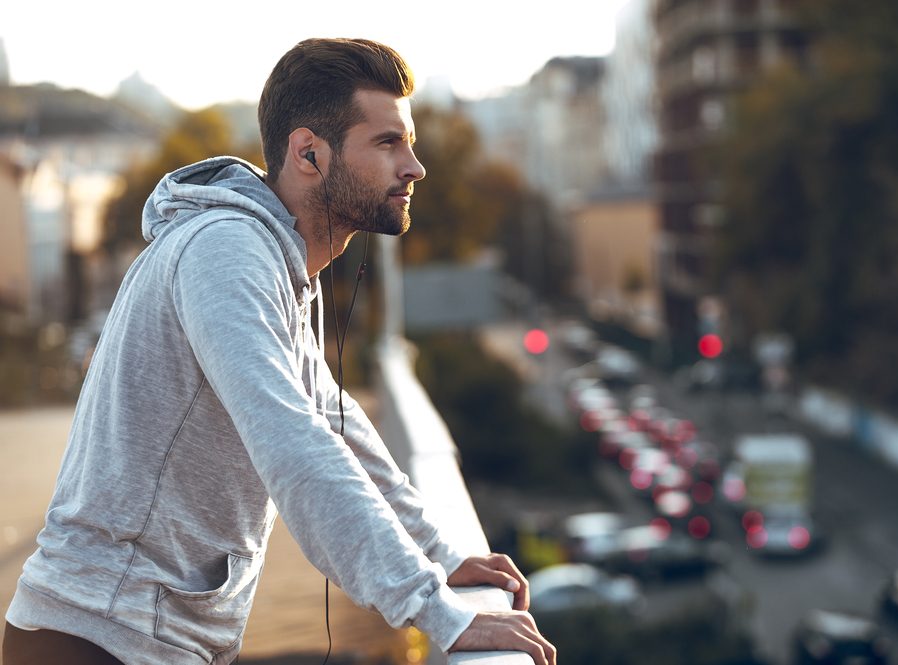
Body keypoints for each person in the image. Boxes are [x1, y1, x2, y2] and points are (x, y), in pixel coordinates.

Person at [2, 37, 556, 665]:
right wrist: (432, 609)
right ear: (308, 153)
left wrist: (440, 554)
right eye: (386, 143)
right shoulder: (226, 251)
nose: (414, 167)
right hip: (97, 637)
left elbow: (334, 425)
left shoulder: (281, 266)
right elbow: (294, 442)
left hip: (155, 639)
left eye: (410, 143)